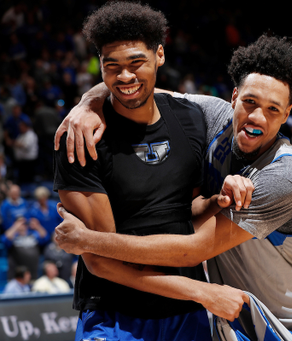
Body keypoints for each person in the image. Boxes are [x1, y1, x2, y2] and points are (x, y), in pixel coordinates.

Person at [54, 33, 292, 340]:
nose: (256, 117)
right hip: (232, 316)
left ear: (287, 114)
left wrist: (89, 241)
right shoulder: (210, 116)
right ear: (235, 97)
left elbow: (193, 250)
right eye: (250, 102)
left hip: (290, 322)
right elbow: (132, 87)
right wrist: (87, 103)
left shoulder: (285, 175)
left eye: (273, 109)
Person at [53, 3, 245, 341]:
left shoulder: (191, 119)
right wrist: (200, 291)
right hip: (114, 316)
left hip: (185, 315)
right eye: (111, 66)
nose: (124, 76)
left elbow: (184, 212)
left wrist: (219, 200)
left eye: (136, 63)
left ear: (160, 55)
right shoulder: (81, 139)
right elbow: (101, 260)